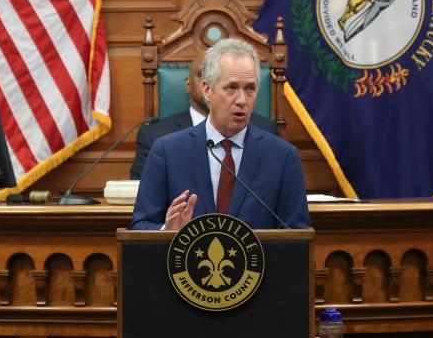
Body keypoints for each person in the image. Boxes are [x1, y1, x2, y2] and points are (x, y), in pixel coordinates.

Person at [130, 38, 310, 230]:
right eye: (231, 88)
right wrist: (167, 232)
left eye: (250, 88)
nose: (242, 100)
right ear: (207, 90)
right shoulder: (167, 151)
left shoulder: (282, 156)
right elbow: (140, 226)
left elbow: (297, 234)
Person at [129, 49, 275, 179]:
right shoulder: (156, 136)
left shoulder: (266, 130)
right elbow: (139, 196)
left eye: (249, 88)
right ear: (189, 84)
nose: (212, 81)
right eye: (202, 74)